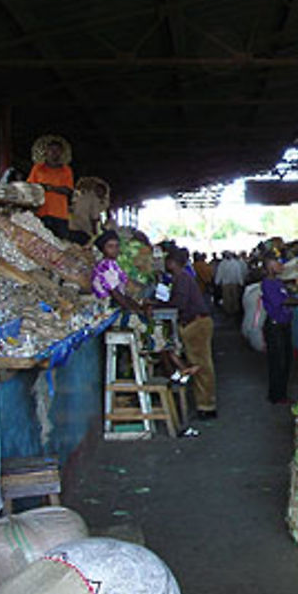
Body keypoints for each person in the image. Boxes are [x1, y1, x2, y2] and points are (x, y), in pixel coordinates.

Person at [92, 232, 198, 383]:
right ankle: (176, 368)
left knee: (157, 326)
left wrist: (140, 306)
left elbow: (125, 294)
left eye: (116, 246)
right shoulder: (104, 268)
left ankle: (175, 370)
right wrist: (137, 310)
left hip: (119, 309)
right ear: (103, 249)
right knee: (153, 327)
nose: (114, 250)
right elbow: (118, 297)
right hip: (110, 314)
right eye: (110, 246)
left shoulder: (114, 266)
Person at [162, 248, 217, 419]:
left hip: (196, 324)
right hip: (195, 323)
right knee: (200, 364)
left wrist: (156, 305)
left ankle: (207, 406)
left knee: (201, 366)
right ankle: (205, 404)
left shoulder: (182, 279)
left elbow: (178, 303)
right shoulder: (182, 278)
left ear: (171, 263)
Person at [261, 256, 296, 404]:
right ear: (270, 267)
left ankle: (281, 393)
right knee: (278, 362)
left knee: (286, 361)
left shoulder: (278, 282)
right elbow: (282, 301)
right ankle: (276, 395)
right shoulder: (268, 284)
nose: (281, 266)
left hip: (283, 326)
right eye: (277, 264)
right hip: (275, 328)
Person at [27, 137, 74, 240]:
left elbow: (68, 190)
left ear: (61, 153)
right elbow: (30, 187)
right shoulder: (38, 168)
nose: (54, 153)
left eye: (57, 150)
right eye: (51, 150)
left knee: (61, 243)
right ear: (46, 152)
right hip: (41, 212)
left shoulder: (66, 170)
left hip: (60, 214)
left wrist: (48, 187)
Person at [70, 178, 109, 245]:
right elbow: (94, 218)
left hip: (72, 226)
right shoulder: (95, 199)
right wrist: (96, 234)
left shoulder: (79, 196)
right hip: (84, 229)